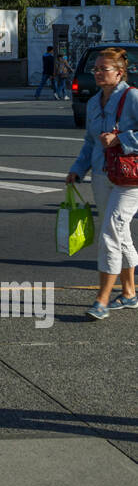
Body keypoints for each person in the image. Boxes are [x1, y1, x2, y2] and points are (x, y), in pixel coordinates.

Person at [66, 47, 138, 320]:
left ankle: (102, 299)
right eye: (94, 69)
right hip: (101, 175)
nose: (96, 73)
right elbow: (90, 141)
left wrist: (122, 139)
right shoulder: (95, 102)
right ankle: (129, 293)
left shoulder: (132, 98)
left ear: (120, 73)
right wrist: (77, 169)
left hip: (131, 179)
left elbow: (118, 138)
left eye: (102, 69)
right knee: (121, 234)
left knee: (111, 230)